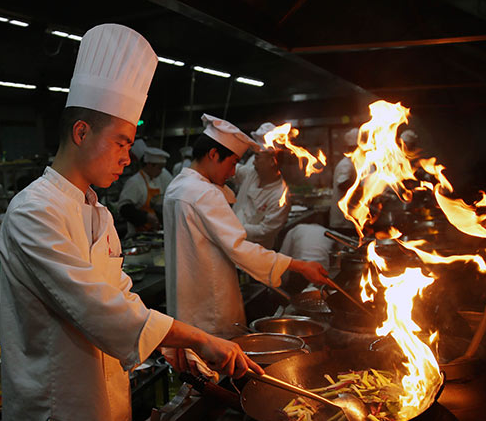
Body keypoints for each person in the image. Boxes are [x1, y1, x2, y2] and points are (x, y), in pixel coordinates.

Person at [0, 24, 262, 421]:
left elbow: (119, 292)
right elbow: (100, 307)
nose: (128, 156)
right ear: (81, 132)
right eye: (120, 142)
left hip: (101, 416)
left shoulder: (94, 209)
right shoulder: (34, 210)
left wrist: (167, 345)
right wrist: (197, 337)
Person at [163, 114, 330, 339]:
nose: (233, 173)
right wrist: (300, 265)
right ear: (213, 154)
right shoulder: (203, 193)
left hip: (187, 307)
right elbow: (240, 248)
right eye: (232, 163)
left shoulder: (178, 185)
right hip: (209, 312)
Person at [232, 146, 290, 249]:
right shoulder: (253, 173)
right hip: (229, 243)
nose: (254, 163)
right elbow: (235, 171)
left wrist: (233, 227)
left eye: (257, 158)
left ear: (272, 161)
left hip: (252, 253)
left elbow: (265, 231)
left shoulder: (280, 196)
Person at [118, 147, 173, 236]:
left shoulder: (157, 180)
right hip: (137, 235)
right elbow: (124, 209)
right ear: (149, 165)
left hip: (153, 233)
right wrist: (146, 217)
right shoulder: (135, 182)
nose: (161, 172)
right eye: (159, 168)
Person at [329, 127, 359, 233]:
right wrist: (362, 188)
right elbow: (342, 184)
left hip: (350, 218)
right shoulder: (346, 164)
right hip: (342, 222)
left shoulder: (355, 163)